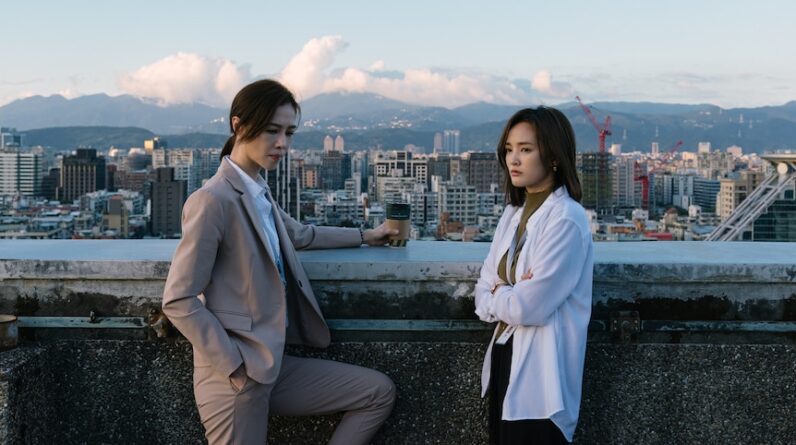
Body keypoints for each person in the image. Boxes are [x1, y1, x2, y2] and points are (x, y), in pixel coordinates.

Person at [162, 79, 396, 445]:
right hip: (234, 380)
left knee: (376, 392)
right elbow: (178, 300)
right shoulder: (213, 201)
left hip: (271, 364)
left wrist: (367, 236)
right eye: (272, 130)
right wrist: (235, 367)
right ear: (238, 126)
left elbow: (300, 235)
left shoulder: (258, 191)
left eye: (289, 132)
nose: (283, 143)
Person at [474, 107, 593, 444]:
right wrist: (506, 291)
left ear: (554, 156)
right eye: (510, 149)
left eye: (526, 150)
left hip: (542, 379)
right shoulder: (512, 214)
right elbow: (481, 295)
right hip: (504, 360)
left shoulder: (566, 220)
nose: (514, 159)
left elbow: (530, 308)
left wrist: (500, 290)